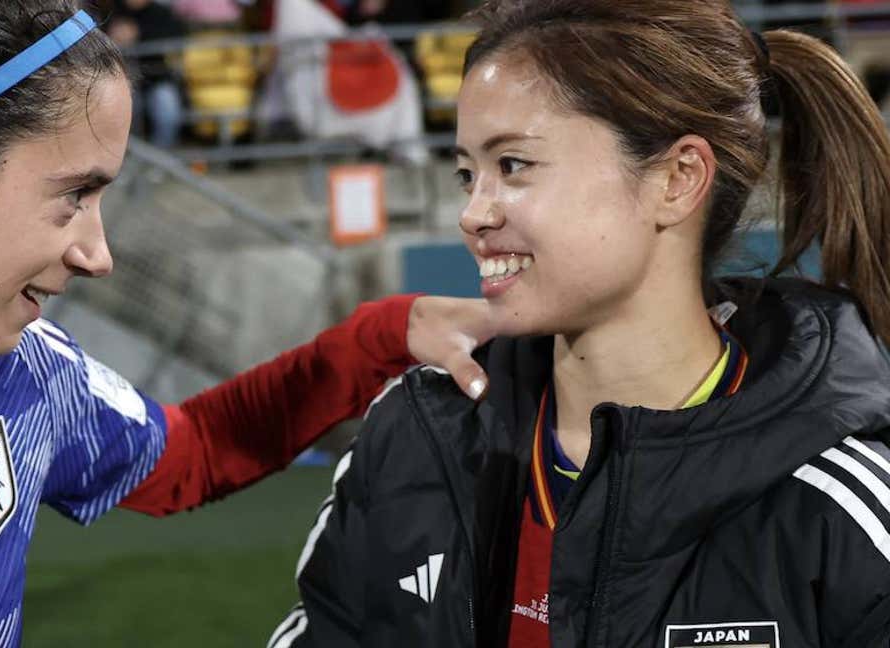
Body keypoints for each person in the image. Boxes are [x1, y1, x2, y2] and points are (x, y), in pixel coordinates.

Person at [0, 1, 498, 645]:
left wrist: (386, 335)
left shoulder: (27, 372)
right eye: (75, 194)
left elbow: (194, 454)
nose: (97, 253)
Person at [273, 1, 890, 646]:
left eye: (513, 165)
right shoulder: (413, 435)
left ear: (677, 181)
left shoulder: (836, 504)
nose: (472, 213)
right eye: (466, 173)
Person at [106, 0, 188, 148]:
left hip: (157, 79)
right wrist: (113, 38)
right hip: (124, 80)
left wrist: (138, 33)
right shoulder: (112, 12)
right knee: (122, 110)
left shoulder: (161, 13)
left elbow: (173, 38)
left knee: (167, 108)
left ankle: (162, 156)